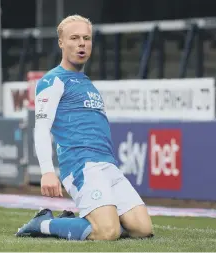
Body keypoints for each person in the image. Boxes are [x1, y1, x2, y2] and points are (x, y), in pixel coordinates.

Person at [15, 14, 153, 241]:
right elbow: (41, 128)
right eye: (75, 38)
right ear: (61, 43)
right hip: (81, 166)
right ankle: (44, 223)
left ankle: (83, 220)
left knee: (142, 229)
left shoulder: (87, 83)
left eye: (87, 38)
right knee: (108, 232)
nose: (82, 43)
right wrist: (48, 171)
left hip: (108, 166)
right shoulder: (53, 81)